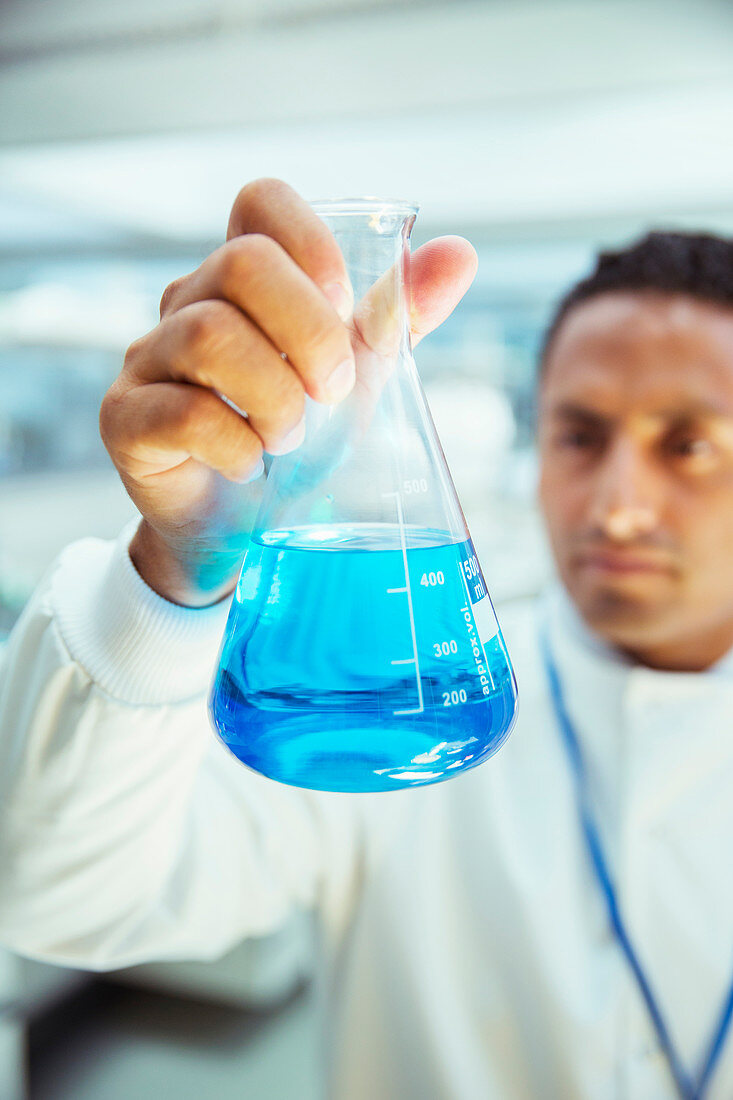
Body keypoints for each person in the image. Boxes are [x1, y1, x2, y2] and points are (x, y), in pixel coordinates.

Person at [2, 179, 733, 1099]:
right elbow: (55, 899)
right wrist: (181, 565)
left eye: (689, 446)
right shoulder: (383, 716)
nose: (619, 506)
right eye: (579, 435)